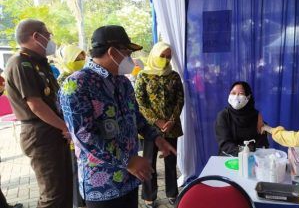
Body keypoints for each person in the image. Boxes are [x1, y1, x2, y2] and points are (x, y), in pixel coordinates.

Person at [59, 25, 176, 208]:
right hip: (103, 185)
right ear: (113, 52)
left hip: (130, 178)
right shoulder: (76, 85)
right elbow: (85, 135)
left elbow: (136, 115)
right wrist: (127, 160)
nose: (131, 58)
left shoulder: (122, 82)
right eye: (127, 52)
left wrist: (156, 138)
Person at [4, 19, 72, 208]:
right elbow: (35, 105)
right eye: (48, 35)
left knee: (65, 190)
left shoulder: (40, 63)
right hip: (40, 134)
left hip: (53, 130)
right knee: (53, 195)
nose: (50, 38)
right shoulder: (20, 63)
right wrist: (65, 127)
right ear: (36, 36)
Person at [134, 42, 184, 207]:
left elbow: (180, 100)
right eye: (162, 55)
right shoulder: (143, 76)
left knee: (170, 161)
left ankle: (172, 193)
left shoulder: (174, 76)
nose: (165, 59)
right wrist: (156, 121)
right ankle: (149, 195)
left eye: (168, 56)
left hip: (172, 126)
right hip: (149, 128)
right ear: (155, 54)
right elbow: (140, 102)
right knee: (148, 162)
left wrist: (171, 120)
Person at [55, 44, 87, 208]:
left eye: (82, 58)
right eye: (77, 59)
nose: (81, 61)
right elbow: (59, 109)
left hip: (85, 132)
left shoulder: (85, 77)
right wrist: (67, 129)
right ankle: (78, 203)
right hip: (70, 133)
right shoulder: (61, 81)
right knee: (75, 171)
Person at [215, 81, 268, 157]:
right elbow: (225, 144)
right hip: (228, 158)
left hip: (252, 157)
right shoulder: (223, 116)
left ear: (248, 97)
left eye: (241, 94)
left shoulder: (256, 116)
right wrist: (244, 150)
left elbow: (262, 142)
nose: (236, 96)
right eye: (233, 93)